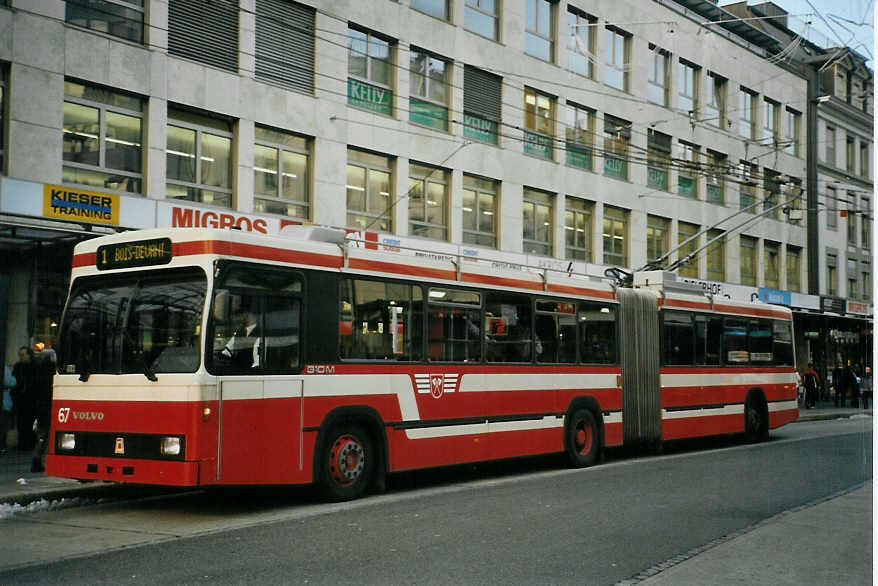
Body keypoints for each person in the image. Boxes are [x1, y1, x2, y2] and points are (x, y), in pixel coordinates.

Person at [31, 349, 56, 472]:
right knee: (45, 434)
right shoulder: (51, 371)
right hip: (48, 406)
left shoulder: (38, 370)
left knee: (42, 434)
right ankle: (37, 460)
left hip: (40, 406)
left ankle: (37, 459)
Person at [12, 346, 37, 451]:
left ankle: (29, 443)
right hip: (21, 400)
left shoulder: (34, 367)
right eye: (20, 355)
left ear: (28, 355)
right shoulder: (18, 366)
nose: (21, 357)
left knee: (29, 423)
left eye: (23, 355)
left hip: (31, 400)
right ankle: (22, 443)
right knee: (21, 423)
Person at [1, 363, 16, 455]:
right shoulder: (4, 368)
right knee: (3, 425)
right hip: (4, 401)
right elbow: (10, 382)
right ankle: (2, 446)